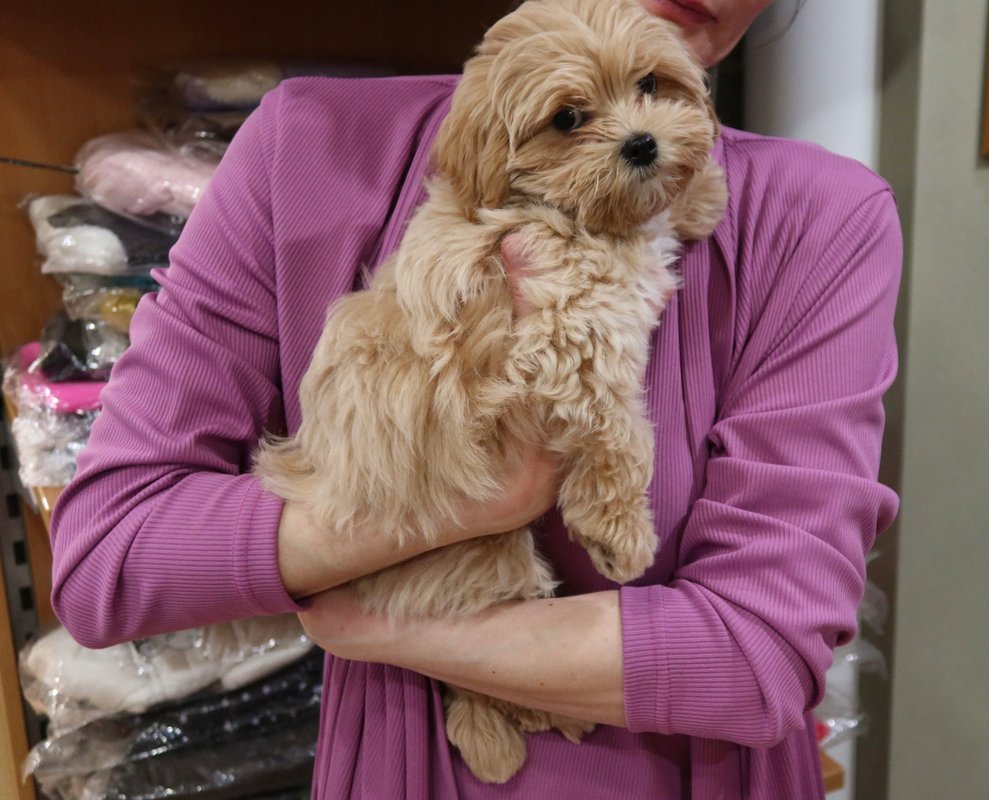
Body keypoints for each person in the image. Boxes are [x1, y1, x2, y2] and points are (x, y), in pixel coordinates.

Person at [49, 0, 902, 796]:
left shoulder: (821, 215)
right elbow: (109, 558)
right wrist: (478, 501)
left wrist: (381, 626)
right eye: (569, 117)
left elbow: (759, 658)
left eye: (652, 88)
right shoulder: (303, 149)